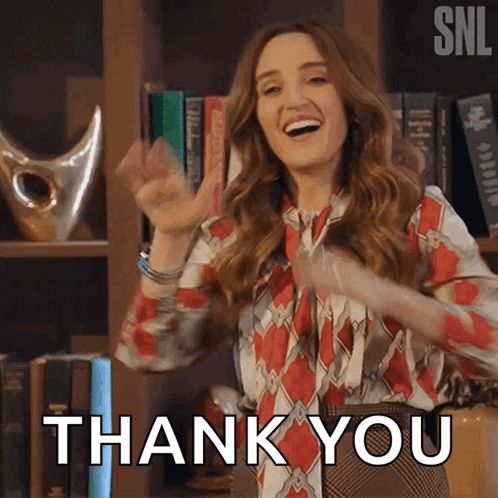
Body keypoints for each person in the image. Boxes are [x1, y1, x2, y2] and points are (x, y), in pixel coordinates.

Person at [115, 20, 498, 498]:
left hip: (383, 479)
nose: (294, 100)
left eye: (316, 79)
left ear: (350, 101)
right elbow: (146, 351)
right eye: (271, 88)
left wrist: (383, 293)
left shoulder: (419, 214)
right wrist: (171, 239)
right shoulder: (236, 232)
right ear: (256, 116)